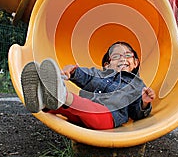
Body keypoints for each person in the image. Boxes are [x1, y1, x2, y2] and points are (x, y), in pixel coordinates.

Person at [21, 41, 155, 130]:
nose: (122, 59)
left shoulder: (137, 85)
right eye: (116, 56)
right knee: (66, 108)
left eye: (127, 55)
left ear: (136, 62)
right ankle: (41, 101)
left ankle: (60, 94)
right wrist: (72, 71)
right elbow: (86, 77)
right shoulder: (99, 75)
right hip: (83, 112)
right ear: (107, 65)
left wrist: (144, 103)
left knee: (76, 103)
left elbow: (136, 113)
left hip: (108, 117)